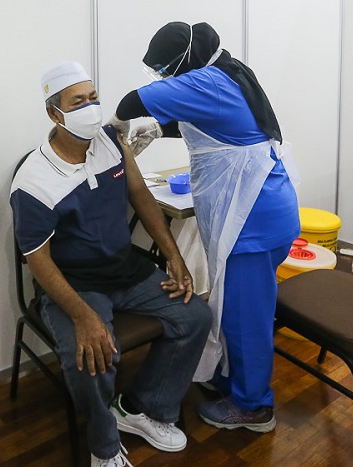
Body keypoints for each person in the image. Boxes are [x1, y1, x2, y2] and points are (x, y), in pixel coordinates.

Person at [11, 61, 213, 467]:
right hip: (74, 284)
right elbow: (38, 260)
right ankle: (103, 447)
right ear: (54, 113)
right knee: (91, 356)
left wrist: (174, 257)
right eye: (78, 102)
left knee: (195, 316)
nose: (91, 107)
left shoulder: (110, 141)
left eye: (93, 98)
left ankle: (140, 408)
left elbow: (139, 194)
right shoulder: (32, 181)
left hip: (124, 269)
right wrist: (83, 317)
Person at [110, 21, 300, 434]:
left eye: (163, 68)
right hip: (265, 211)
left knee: (246, 317)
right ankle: (235, 382)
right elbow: (199, 122)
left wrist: (114, 129)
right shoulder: (227, 73)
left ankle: (253, 407)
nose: (161, 77)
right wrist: (157, 129)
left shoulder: (209, 81)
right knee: (236, 306)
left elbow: (134, 99)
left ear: (184, 60)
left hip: (253, 222)